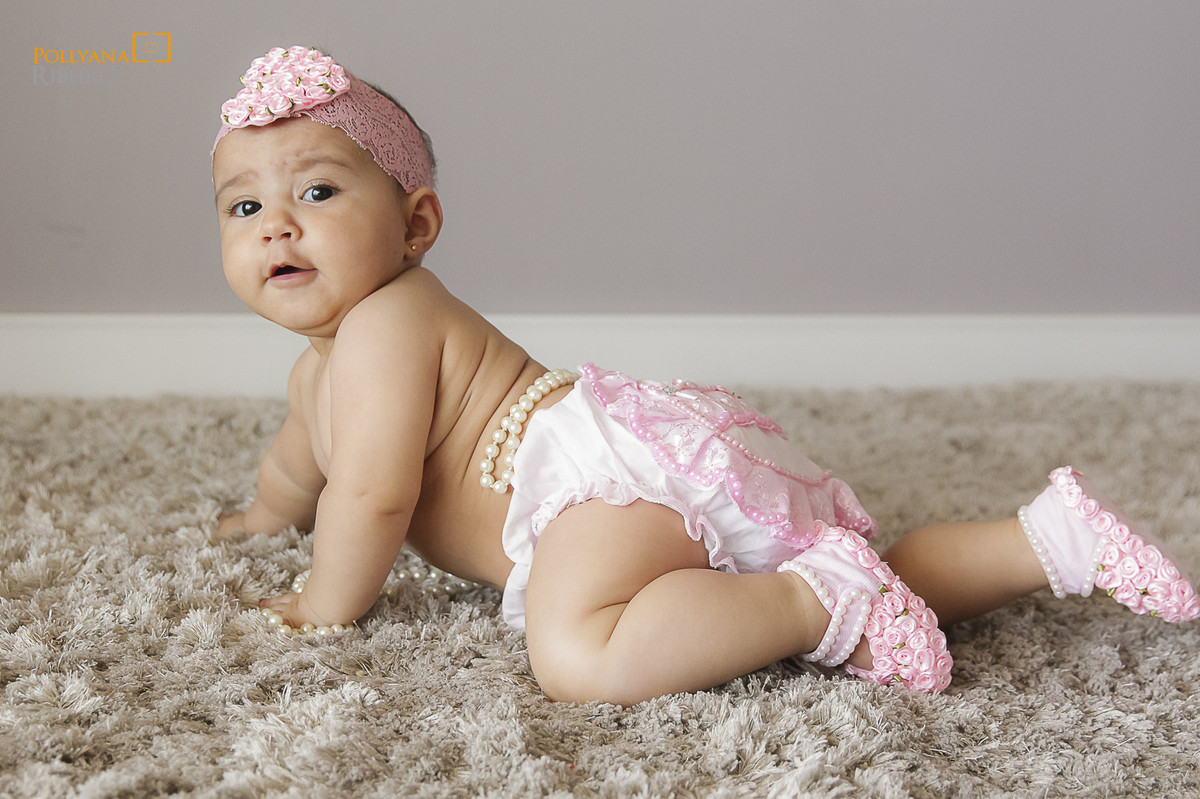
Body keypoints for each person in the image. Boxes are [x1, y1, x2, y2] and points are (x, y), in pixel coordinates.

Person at [211, 47, 1199, 706]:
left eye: (317, 191)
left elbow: (372, 493)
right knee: (883, 570)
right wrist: (264, 516)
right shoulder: (319, 371)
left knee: (578, 653)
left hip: (591, 499)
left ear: (416, 225)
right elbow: (303, 465)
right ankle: (1045, 540)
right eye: (244, 208)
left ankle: (812, 604)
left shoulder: (387, 322)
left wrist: (325, 602)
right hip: (635, 493)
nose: (277, 227)